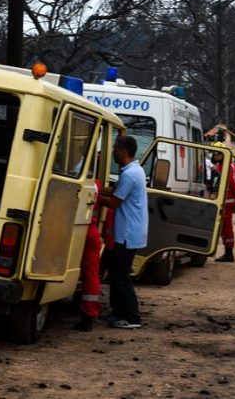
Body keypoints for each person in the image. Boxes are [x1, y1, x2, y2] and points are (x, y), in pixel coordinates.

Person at [99, 135, 148, 329]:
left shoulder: (129, 174)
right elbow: (115, 190)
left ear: (123, 151)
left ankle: (131, 316)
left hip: (128, 233)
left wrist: (93, 196)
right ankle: (119, 312)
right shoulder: (134, 170)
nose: (113, 153)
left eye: (115, 149)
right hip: (130, 232)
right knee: (118, 273)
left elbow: (113, 202)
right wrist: (101, 189)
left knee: (121, 276)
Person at [74, 178, 103, 331]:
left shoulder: (80, 180)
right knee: (91, 274)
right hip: (90, 230)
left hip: (82, 229)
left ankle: (88, 314)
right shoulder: (96, 183)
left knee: (89, 274)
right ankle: (89, 313)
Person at [212, 142, 235, 262]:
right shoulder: (220, 165)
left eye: (218, 153)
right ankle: (224, 251)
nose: (215, 156)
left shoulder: (228, 166)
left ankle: (229, 253)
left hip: (227, 200)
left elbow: (233, 183)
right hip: (221, 200)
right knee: (222, 227)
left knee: (226, 227)